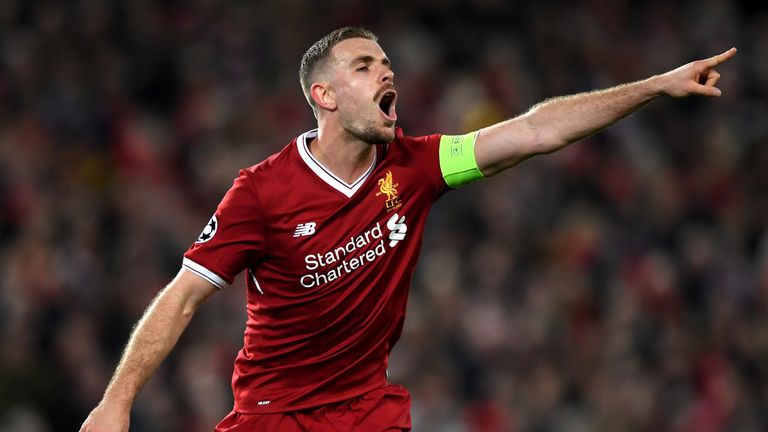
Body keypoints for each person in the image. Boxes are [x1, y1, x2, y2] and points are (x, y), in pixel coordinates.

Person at [80, 26, 736, 432]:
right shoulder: (261, 192)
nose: (387, 70)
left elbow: (536, 129)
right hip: (272, 419)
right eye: (365, 65)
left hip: (368, 414)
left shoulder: (418, 166)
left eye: (388, 61)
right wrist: (116, 403)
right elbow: (184, 295)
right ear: (325, 96)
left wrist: (655, 85)